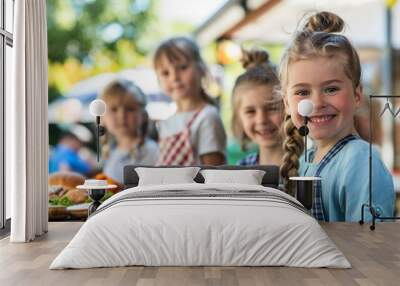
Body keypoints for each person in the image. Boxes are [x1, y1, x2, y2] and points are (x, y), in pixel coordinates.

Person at [279, 11, 395, 221]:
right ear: (287, 104)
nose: (317, 103)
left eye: (331, 89)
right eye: (303, 92)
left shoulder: (361, 161)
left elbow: (369, 245)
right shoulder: (307, 159)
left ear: (357, 95)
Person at [153, 36, 227, 166]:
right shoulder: (166, 122)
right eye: (165, 73)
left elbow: (213, 174)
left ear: (201, 69)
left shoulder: (207, 117)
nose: (174, 77)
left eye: (182, 67)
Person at [231, 48, 286, 167]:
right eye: (251, 111)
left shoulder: (308, 167)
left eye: (272, 108)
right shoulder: (241, 169)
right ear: (239, 118)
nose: (261, 120)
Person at [100, 79, 159, 183]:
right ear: (102, 118)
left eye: (130, 109)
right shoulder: (111, 152)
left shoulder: (152, 152)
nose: (121, 116)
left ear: (143, 115)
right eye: (114, 109)